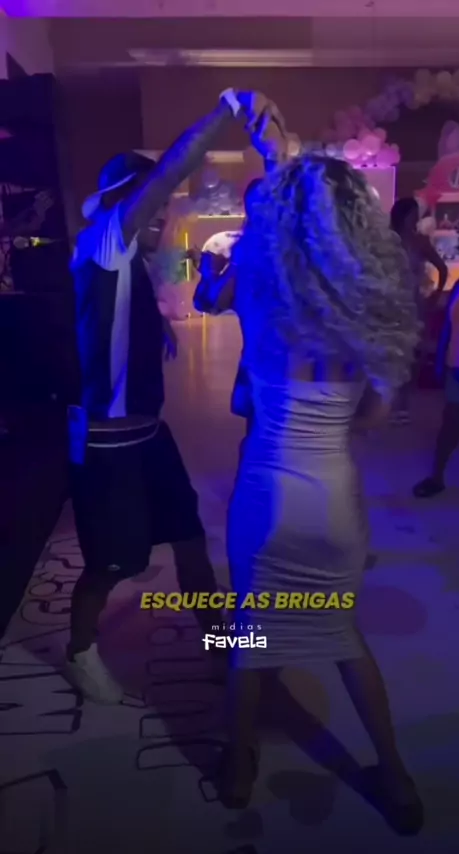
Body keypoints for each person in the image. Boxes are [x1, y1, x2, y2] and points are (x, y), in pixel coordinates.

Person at [217, 150, 423, 834]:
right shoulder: (374, 308)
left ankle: (238, 768)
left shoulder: (256, 286)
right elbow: (372, 420)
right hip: (332, 498)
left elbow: (244, 393)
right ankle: (395, 777)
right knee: (341, 633)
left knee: (250, 631)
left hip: (266, 494)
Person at [65, 91, 281, 704]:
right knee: (113, 563)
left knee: (189, 542)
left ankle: (219, 650)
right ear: (123, 200)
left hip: (147, 433)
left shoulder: (129, 257)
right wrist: (225, 110)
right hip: (108, 442)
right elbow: (168, 174)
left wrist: (155, 326)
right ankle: (79, 652)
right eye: (152, 203)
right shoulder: (105, 240)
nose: (161, 214)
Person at [413, 208, 459, 500]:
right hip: (458, 368)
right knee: (450, 428)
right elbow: (449, 329)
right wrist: (439, 361)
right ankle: (436, 477)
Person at [193, 179, 264, 429]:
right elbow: (208, 302)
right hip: (261, 366)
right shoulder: (245, 250)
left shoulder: (249, 251)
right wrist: (211, 273)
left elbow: (210, 302)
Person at [390, 197, 448, 424]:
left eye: (417, 213)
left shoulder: (420, 241)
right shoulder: (386, 240)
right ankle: (388, 402)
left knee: (413, 353)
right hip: (391, 302)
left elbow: (442, 269)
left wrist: (436, 294)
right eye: (412, 213)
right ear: (402, 215)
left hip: (414, 304)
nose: (415, 218)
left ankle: (404, 403)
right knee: (392, 352)